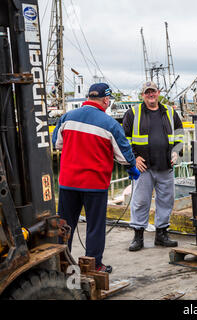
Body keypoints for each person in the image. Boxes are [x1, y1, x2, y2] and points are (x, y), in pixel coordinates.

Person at [52, 83, 140, 273]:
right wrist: (132, 168)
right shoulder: (109, 124)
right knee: (95, 227)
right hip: (94, 185)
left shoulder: (67, 118)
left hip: (68, 183)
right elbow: (124, 156)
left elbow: (57, 144)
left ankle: (60, 264)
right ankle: (93, 266)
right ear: (106, 100)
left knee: (64, 226)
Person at [123, 81, 184, 251]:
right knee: (140, 201)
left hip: (165, 165)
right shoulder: (133, 113)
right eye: (147, 92)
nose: (151, 95)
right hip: (144, 168)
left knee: (166, 201)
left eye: (153, 91)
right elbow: (125, 140)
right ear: (142, 95)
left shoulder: (170, 112)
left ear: (158, 93)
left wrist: (176, 152)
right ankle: (138, 236)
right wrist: (134, 158)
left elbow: (179, 133)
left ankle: (161, 234)